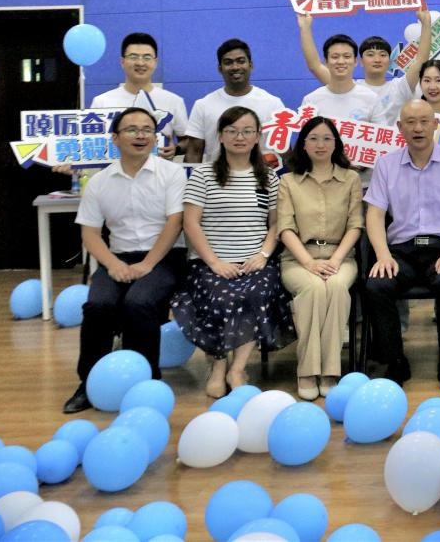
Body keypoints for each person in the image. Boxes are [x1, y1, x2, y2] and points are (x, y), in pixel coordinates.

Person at [63, 108, 188, 413]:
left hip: (164, 257)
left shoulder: (171, 174)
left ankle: (144, 382)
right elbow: (90, 233)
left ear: (155, 138)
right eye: (132, 129)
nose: (141, 135)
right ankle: (89, 383)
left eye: (147, 129)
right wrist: (113, 265)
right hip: (117, 257)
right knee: (98, 305)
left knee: (138, 303)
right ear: (116, 138)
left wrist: (148, 264)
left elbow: (175, 223)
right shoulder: (99, 181)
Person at [172, 107, 295, 398]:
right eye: (232, 131)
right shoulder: (203, 175)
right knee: (222, 296)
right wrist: (214, 262)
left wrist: (263, 254)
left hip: (255, 261)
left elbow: (276, 223)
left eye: (247, 131)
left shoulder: (268, 177)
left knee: (256, 293)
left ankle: (237, 369)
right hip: (210, 262)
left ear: (257, 136)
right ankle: (217, 365)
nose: (240, 137)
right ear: (220, 136)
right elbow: (191, 223)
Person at [363, 100, 440, 391]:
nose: (418, 128)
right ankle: (395, 361)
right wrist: (382, 255)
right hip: (401, 250)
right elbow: (375, 215)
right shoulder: (386, 165)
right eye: (410, 122)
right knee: (377, 285)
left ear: (435, 125)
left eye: (424, 121)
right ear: (399, 127)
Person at [277, 116, 362, 399]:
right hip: (298, 259)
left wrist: (335, 260)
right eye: (313, 138)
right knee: (314, 288)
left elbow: (355, 225)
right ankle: (307, 371)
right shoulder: (289, 181)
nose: (320, 144)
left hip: (341, 257)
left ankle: (330, 371)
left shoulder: (350, 179)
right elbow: (285, 228)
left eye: (327, 138)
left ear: (336, 143)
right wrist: (309, 263)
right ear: (303, 144)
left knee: (335, 287)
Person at [185, 39, 287, 162]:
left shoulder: (273, 104)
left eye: (241, 61)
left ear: (251, 65)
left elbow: (284, 152)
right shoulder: (203, 105)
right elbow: (194, 153)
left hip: (261, 174)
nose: (235, 67)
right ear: (220, 68)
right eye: (228, 62)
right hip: (217, 174)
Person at [91, 32, 189, 158]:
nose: (140, 63)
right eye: (133, 57)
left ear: (155, 62)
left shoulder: (173, 101)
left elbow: (187, 142)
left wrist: (176, 149)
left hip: (159, 169)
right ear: (122, 61)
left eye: (147, 57)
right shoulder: (101, 102)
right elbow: (90, 144)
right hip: (115, 169)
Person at [297, 12, 397, 105]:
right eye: (335, 57)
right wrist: (305, 28)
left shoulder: (396, 87)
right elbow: (315, 66)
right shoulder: (347, 87)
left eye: (383, 55)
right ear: (360, 61)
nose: (377, 60)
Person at [298, 31, 379, 122]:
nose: (341, 62)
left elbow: (382, 129)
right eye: (335, 57)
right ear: (326, 62)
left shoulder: (371, 98)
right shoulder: (311, 101)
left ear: (355, 61)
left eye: (347, 56)